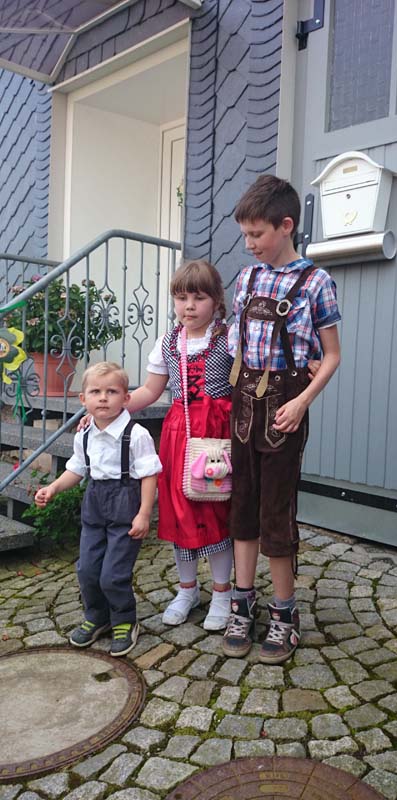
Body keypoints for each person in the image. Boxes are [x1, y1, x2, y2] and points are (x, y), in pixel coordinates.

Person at [223, 174, 341, 665]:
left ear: (286, 226)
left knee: (275, 508)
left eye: (257, 234)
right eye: (246, 235)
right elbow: (235, 343)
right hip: (244, 402)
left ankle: (285, 613)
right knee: (243, 505)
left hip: (286, 405)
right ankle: (242, 602)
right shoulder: (247, 279)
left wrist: (303, 401)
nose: (250, 244)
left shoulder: (316, 282)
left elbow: (332, 355)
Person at [126, 260, 234, 631]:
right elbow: (149, 390)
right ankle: (187, 590)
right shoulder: (168, 342)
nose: (189, 306)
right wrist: (110, 408)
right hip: (178, 435)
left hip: (216, 436)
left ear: (216, 300)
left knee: (215, 510)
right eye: (182, 297)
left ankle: (222, 592)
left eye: (199, 298)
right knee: (178, 511)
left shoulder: (229, 338)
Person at [35, 362, 162, 657]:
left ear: (126, 398)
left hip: (126, 508)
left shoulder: (136, 435)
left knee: (113, 574)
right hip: (94, 506)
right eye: (95, 392)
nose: (103, 398)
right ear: (83, 399)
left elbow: (149, 475)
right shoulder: (84, 434)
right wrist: (53, 488)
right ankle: (97, 616)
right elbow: (76, 469)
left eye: (112, 392)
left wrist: (144, 513)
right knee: (88, 570)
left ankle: (124, 620)